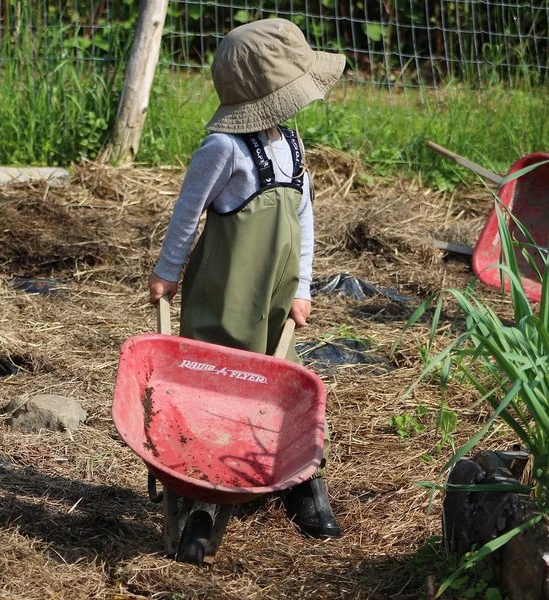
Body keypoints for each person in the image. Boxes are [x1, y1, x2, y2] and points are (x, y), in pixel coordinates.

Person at [147, 18, 345, 539]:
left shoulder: (293, 145)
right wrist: (168, 272)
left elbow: (303, 217)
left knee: (280, 380)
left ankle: (302, 479)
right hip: (225, 295)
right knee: (219, 382)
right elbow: (188, 215)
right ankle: (204, 485)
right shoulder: (223, 149)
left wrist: (302, 287)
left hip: (275, 294)